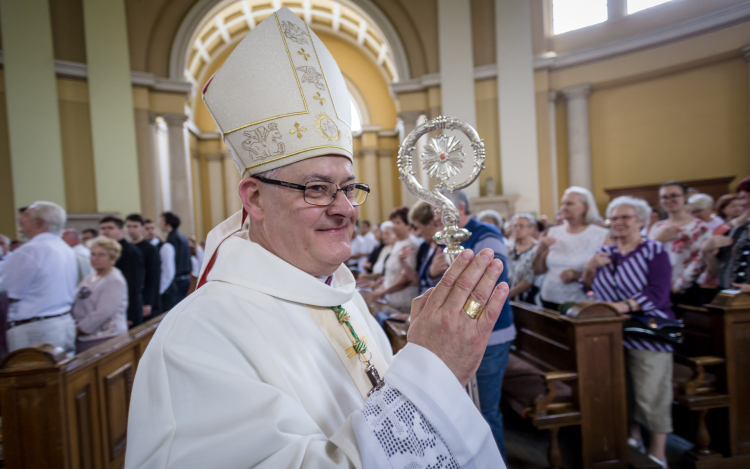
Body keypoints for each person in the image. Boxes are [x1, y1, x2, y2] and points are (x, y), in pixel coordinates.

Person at [125, 9, 508, 468]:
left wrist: (437, 370)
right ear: (255, 199)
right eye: (317, 188)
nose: (345, 207)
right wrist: (433, 372)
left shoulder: (343, 298)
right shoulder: (198, 337)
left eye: (349, 187)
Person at [581, 196, 673, 469]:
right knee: (624, 390)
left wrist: (621, 307)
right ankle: (634, 437)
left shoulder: (654, 250)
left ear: (642, 221)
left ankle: (659, 452)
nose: (619, 223)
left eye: (626, 217)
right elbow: (589, 291)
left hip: (648, 332)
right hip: (612, 333)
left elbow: (658, 292)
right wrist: (589, 268)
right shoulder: (607, 253)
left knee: (650, 392)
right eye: (614, 218)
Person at [437, 188, 514, 459]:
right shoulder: (445, 237)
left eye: (438, 210)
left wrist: (464, 318)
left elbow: (494, 280)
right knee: (464, 408)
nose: (435, 216)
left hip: (490, 335)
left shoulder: (485, 233)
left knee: (485, 411)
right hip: (456, 335)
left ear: (456, 209)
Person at [0, 202, 77, 354]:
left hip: (35, 330)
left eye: (25, 216)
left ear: (39, 222)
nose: (20, 220)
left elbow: (6, 291)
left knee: (30, 375)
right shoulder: (65, 248)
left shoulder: (31, 250)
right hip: (63, 322)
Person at [532, 186, 609, 310]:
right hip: (548, 297)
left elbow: (607, 275)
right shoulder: (554, 232)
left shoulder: (600, 235)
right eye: (563, 203)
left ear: (585, 207)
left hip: (580, 302)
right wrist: (539, 251)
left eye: (570, 203)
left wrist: (578, 275)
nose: (564, 207)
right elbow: (538, 271)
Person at [648, 181, 711, 306]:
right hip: (658, 288)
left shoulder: (700, 227)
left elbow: (699, 260)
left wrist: (677, 286)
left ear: (685, 197)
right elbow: (646, 256)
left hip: (687, 289)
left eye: (674, 195)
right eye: (664, 197)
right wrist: (657, 241)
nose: (669, 200)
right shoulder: (657, 227)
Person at [72, 236, 128, 353]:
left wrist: (79, 329)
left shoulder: (114, 280)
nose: (95, 258)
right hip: (84, 335)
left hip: (104, 337)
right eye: (93, 254)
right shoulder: (91, 276)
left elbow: (103, 312)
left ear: (113, 259)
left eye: (101, 255)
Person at [702, 176, 750, 292]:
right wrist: (707, 252)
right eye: (743, 197)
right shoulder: (736, 231)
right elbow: (720, 270)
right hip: (728, 300)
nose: (746, 201)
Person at [369, 206, 420, 313]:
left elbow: (406, 279)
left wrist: (382, 292)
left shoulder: (411, 244)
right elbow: (392, 273)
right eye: (393, 222)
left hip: (403, 302)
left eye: (398, 222)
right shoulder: (398, 243)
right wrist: (381, 287)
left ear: (408, 225)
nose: (394, 226)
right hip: (391, 298)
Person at [100, 216, 145, 328]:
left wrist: (129, 314)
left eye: (110, 228)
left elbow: (134, 285)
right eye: (103, 228)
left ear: (121, 230)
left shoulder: (130, 251)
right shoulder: (105, 251)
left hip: (127, 309)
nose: (105, 231)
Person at [125, 214, 162, 319]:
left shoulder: (150, 249)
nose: (131, 229)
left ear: (142, 228)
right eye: (128, 226)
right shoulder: (127, 248)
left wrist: (148, 302)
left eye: (135, 226)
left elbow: (153, 277)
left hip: (145, 298)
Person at [408, 201, 444, 295]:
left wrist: (433, 275)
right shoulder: (424, 247)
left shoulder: (445, 247)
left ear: (430, 224)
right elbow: (418, 281)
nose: (418, 233)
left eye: (418, 227)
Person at [144, 218, 177, 312]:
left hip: (164, 292)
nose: (150, 231)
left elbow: (168, 273)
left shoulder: (165, 247)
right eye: (147, 228)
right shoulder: (143, 248)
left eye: (152, 228)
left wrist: (157, 292)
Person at [159, 211, 191, 302]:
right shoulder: (182, 236)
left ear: (167, 223)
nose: (160, 224)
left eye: (161, 221)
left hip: (177, 280)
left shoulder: (172, 239)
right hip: (185, 278)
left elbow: (171, 263)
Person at [507, 214, 539, 303]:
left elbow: (529, 279)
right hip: (508, 298)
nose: (517, 229)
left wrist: (506, 295)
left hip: (528, 299)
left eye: (521, 226)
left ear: (531, 229)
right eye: (515, 226)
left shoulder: (536, 249)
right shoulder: (509, 248)